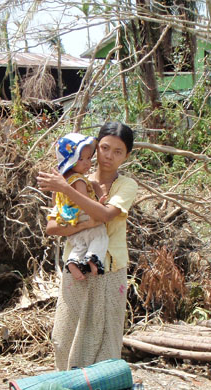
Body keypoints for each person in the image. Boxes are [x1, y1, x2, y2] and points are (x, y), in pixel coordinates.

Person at [38, 122, 138, 370]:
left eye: (118, 151)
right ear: (95, 148)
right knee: (62, 338)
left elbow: (105, 215)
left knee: (104, 342)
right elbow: (52, 227)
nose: (108, 156)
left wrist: (66, 190)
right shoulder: (74, 179)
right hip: (76, 268)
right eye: (104, 148)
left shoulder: (126, 185)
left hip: (110, 272)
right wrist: (84, 223)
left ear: (126, 156)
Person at [49, 132, 109, 281]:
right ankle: (93, 260)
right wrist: (98, 206)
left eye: (89, 158)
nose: (87, 163)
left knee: (79, 244)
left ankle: (72, 263)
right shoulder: (79, 180)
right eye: (81, 159)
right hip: (82, 215)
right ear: (70, 161)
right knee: (100, 235)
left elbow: (54, 202)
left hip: (68, 220)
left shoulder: (60, 182)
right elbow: (84, 201)